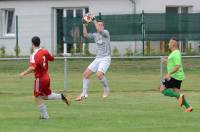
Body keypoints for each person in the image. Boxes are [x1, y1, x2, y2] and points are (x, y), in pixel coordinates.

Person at [19, 36, 70, 119]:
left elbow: (32, 67)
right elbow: (52, 58)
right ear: (39, 43)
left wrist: (23, 73)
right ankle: (61, 96)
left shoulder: (33, 55)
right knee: (46, 95)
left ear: (32, 44)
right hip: (47, 77)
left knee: (37, 97)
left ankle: (45, 117)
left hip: (39, 79)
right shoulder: (44, 51)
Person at [76, 15, 111, 101]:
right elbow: (85, 35)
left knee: (99, 74)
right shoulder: (95, 35)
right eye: (98, 24)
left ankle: (106, 89)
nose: (99, 26)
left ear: (103, 26)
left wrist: (94, 20)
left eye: (101, 25)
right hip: (98, 58)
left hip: (106, 58)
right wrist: (84, 24)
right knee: (85, 74)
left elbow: (99, 30)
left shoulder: (106, 32)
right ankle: (84, 94)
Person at [160, 38, 193, 112]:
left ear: (173, 44)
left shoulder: (176, 53)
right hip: (178, 76)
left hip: (174, 76)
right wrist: (166, 61)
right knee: (176, 91)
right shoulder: (174, 53)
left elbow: (177, 66)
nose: (168, 44)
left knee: (162, 89)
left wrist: (169, 74)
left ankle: (179, 96)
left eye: (169, 43)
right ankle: (188, 107)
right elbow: (173, 63)